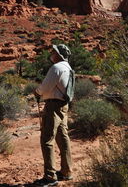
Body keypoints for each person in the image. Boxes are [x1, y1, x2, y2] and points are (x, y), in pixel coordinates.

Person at [33, 44, 73, 187]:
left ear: (59, 54)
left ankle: (50, 176)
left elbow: (45, 87)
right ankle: (66, 171)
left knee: (47, 139)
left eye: (54, 51)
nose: (51, 53)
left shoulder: (56, 68)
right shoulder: (67, 67)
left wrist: (37, 92)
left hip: (53, 106)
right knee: (63, 137)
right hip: (63, 106)